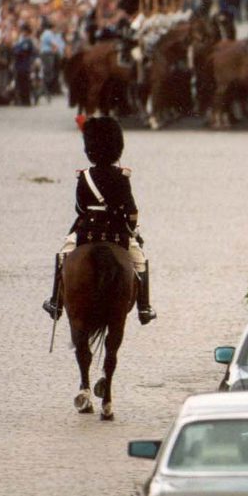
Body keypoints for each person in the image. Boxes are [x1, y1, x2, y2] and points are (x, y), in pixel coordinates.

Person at [42, 117, 156, 325]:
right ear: (116, 148)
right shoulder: (122, 177)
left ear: (90, 148)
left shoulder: (85, 177)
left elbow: (79, 207)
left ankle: (55, 302)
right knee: (139, 260)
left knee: (62, 256)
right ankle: (144, 307)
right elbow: (130, 210)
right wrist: (131, 228)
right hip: (117, 232)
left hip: (88, 231)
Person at [12, 23, 36, 106]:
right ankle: (22, 99)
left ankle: (26, 100)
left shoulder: (27, 41)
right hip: (19, 65)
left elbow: (21, 51)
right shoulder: (21, 40)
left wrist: (16, 48)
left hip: (24, 65)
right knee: (20, 82)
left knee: (25, 83)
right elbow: (15, 49)